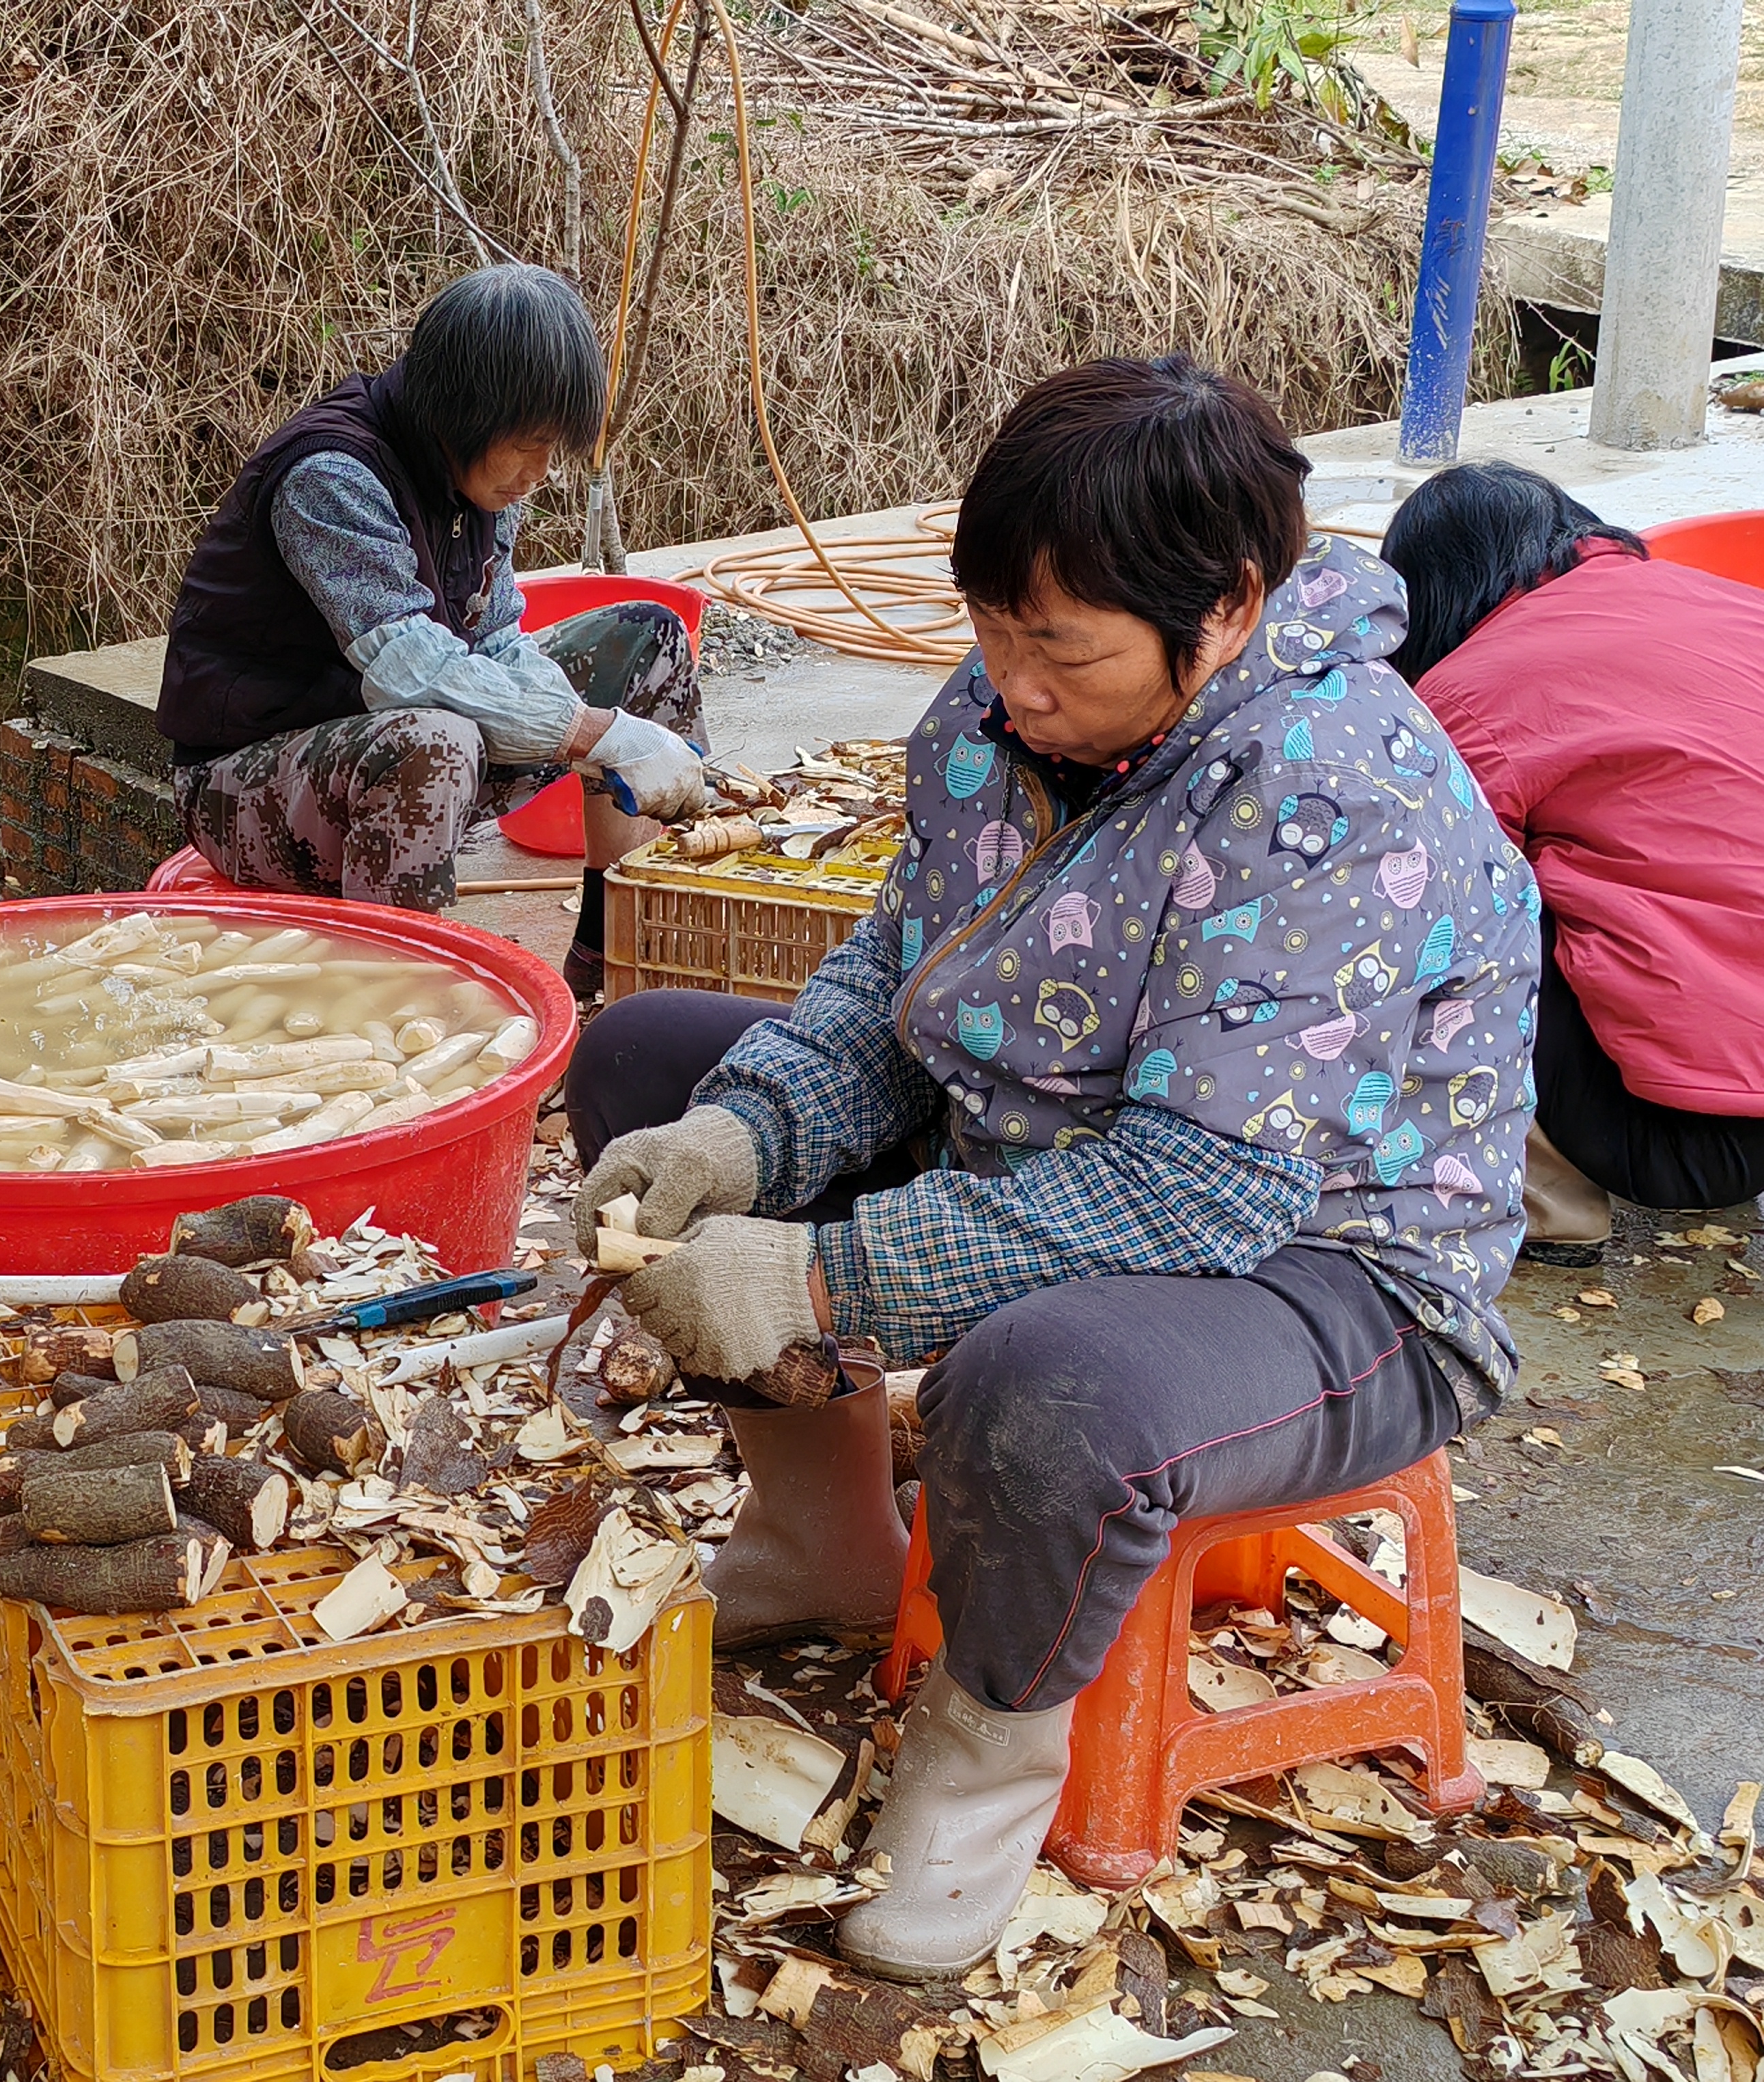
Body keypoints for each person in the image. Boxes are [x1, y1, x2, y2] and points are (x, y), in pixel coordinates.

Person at [564, 357, 1538, 1980]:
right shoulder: (1000, 710)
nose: (1012, 685)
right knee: (647, 1063)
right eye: (992, 629)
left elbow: (1197, 1190)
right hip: (1053, 1146)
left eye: (1062, 650)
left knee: (1040, 1382)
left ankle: (985, 1760)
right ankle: (821, 1534)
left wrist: (817, 1275)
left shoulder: (1329, 790)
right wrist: (742, 1135)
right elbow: (904, 980)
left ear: (1223, 609)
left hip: (1336, 1268)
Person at [155, 262, 710, 996]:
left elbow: (498, 640)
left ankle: (613, 952)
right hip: (248, 788)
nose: (541, 471)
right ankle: (397, 1006)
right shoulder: (331, 476)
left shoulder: (483, 480)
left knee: (647, 640)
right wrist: (590, 734)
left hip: (405, 752)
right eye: (530, 442)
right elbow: (411, 673)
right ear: (467, 412)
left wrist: (613, 732)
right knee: (435, 737)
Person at [1382, 460, 1764, 1263]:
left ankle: (1545, 1199)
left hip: (1681, 1141)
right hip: (1731, 1088)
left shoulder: (1466, 691)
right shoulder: (1734, 602)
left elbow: (1403, 909)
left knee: (1417, 899)